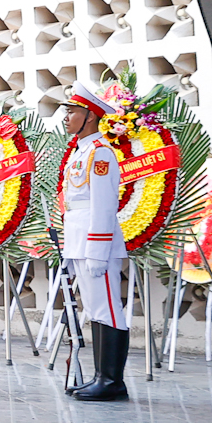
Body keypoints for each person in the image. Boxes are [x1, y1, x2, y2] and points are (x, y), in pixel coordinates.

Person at [61, 81, 130, 401]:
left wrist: (98, 250)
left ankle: (113, 381)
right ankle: (101, 377)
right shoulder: (80, 152)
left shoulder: (101, 154)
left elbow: (103, 206)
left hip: (95, 243)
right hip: (79, 240)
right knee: (94, 309)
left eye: (72, 111)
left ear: (90, 116)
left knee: (108, 309)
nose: (66, 117)